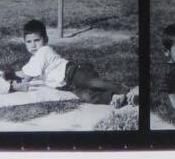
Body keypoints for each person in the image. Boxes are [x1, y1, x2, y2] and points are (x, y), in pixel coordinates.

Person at [10, 19, 138, 104]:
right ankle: (114, 98)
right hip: (68, 85)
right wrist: (16, 80)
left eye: (37, 40)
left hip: (74, 73)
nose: (33, 45)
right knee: (88, 96)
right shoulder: (34, 59)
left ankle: (127, 90)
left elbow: (28, 75)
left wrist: (15, 82)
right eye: (29, 42)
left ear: (46, 40)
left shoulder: (44, 51)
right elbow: (28, 73)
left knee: (95, 83)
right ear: (24, 43)